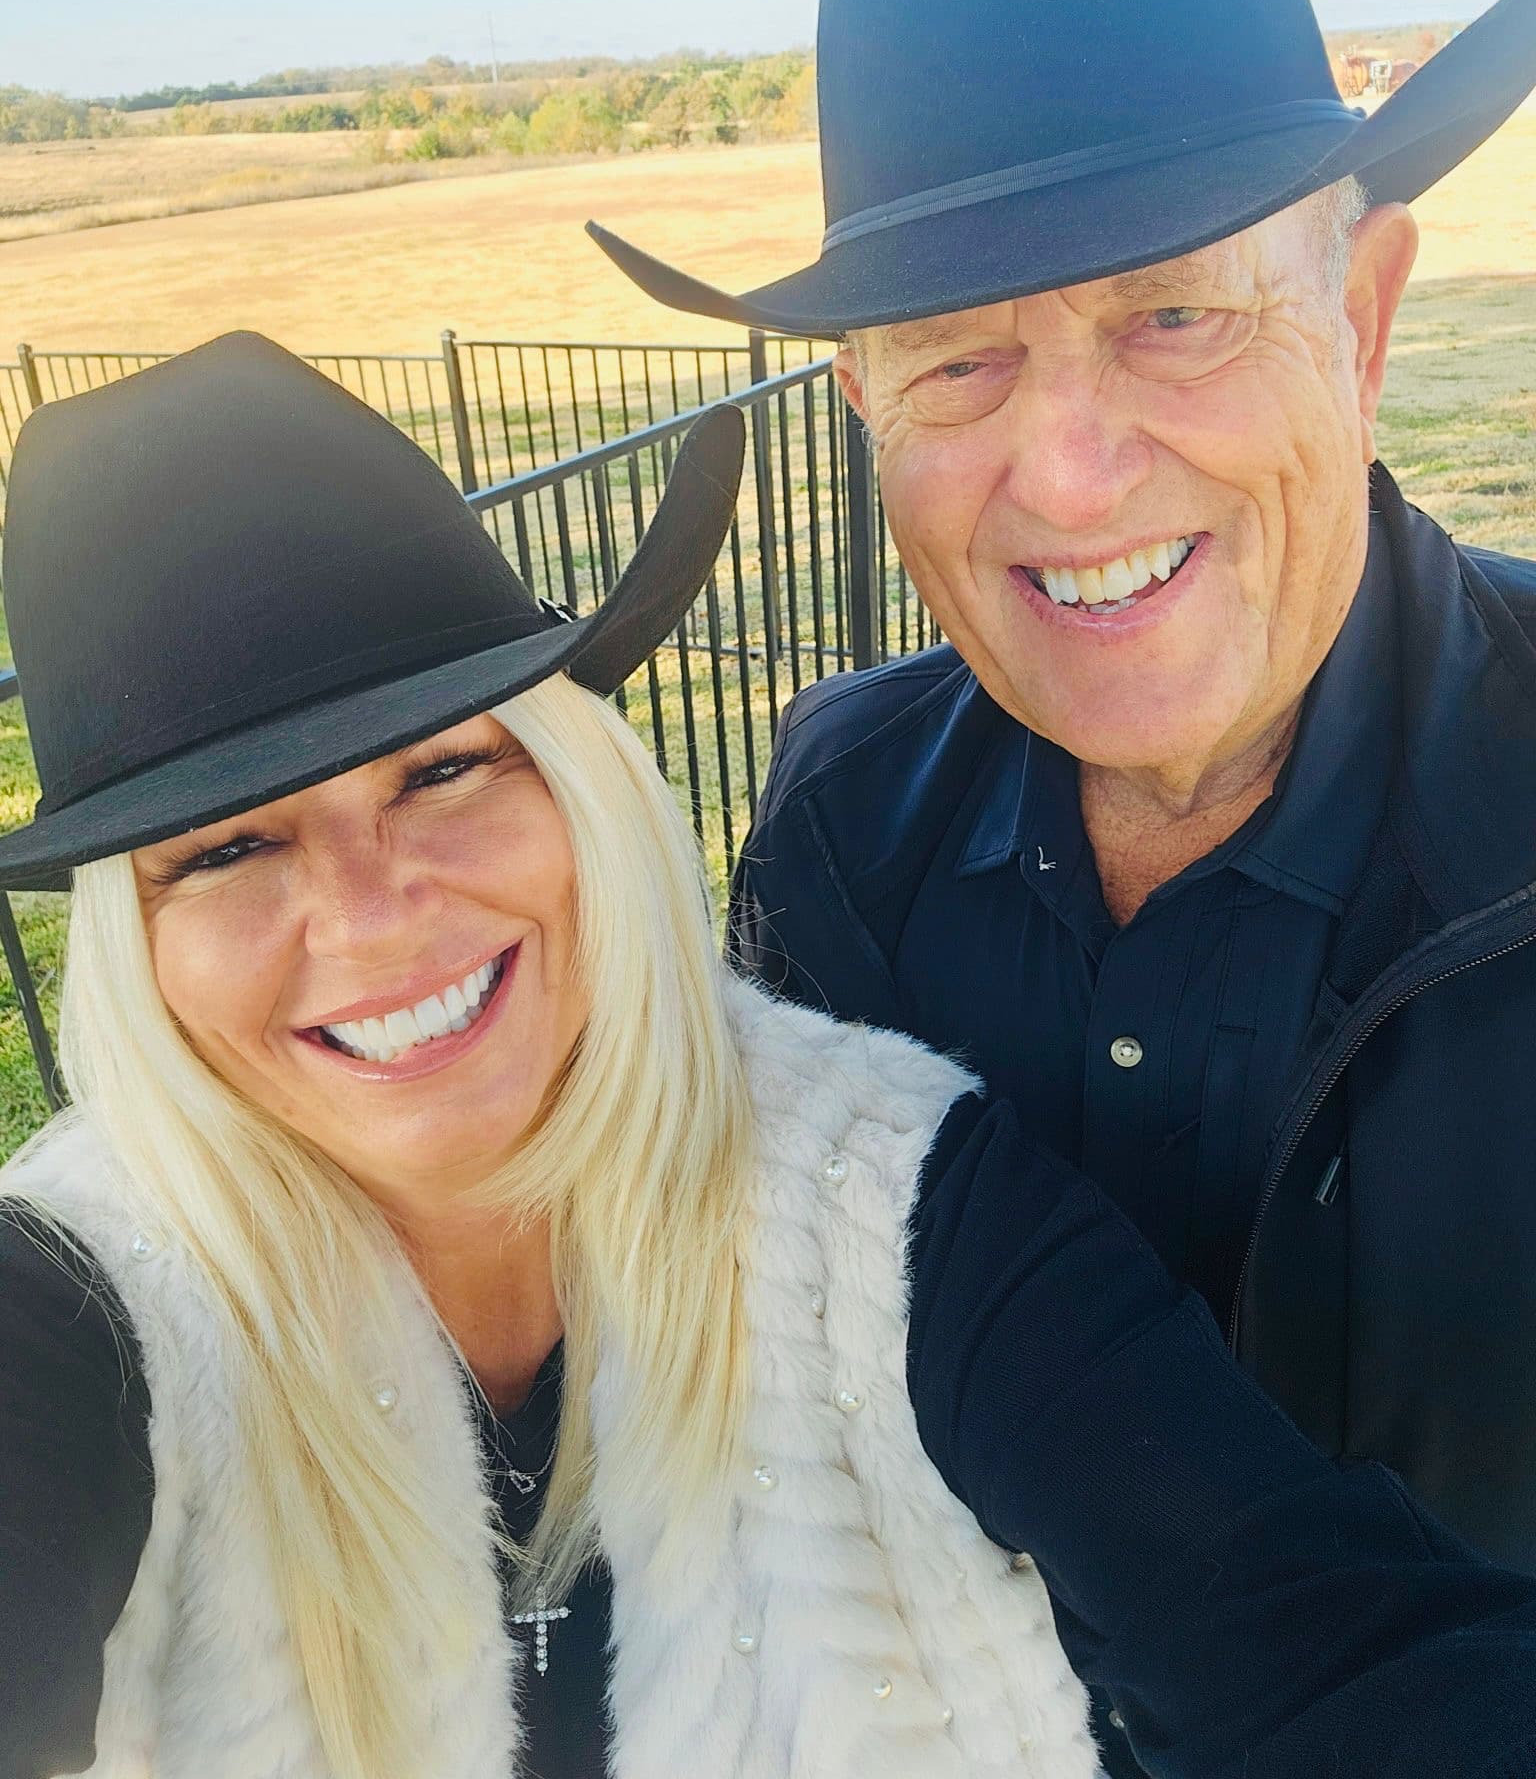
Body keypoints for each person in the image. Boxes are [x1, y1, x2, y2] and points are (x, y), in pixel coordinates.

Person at [4, 336, 1536, 1779]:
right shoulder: (78, 1303)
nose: (368, 910)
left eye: (448, 766)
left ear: (579, 790)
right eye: (226, 849)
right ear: (134, 949)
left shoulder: (883, 1199)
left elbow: (1312, 1635)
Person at [587, 0, 1536, 1772]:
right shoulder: (840, 836)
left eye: (1177, 314)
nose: (1071, 469)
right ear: (864, 407)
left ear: (1361, 318)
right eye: (958, 358)